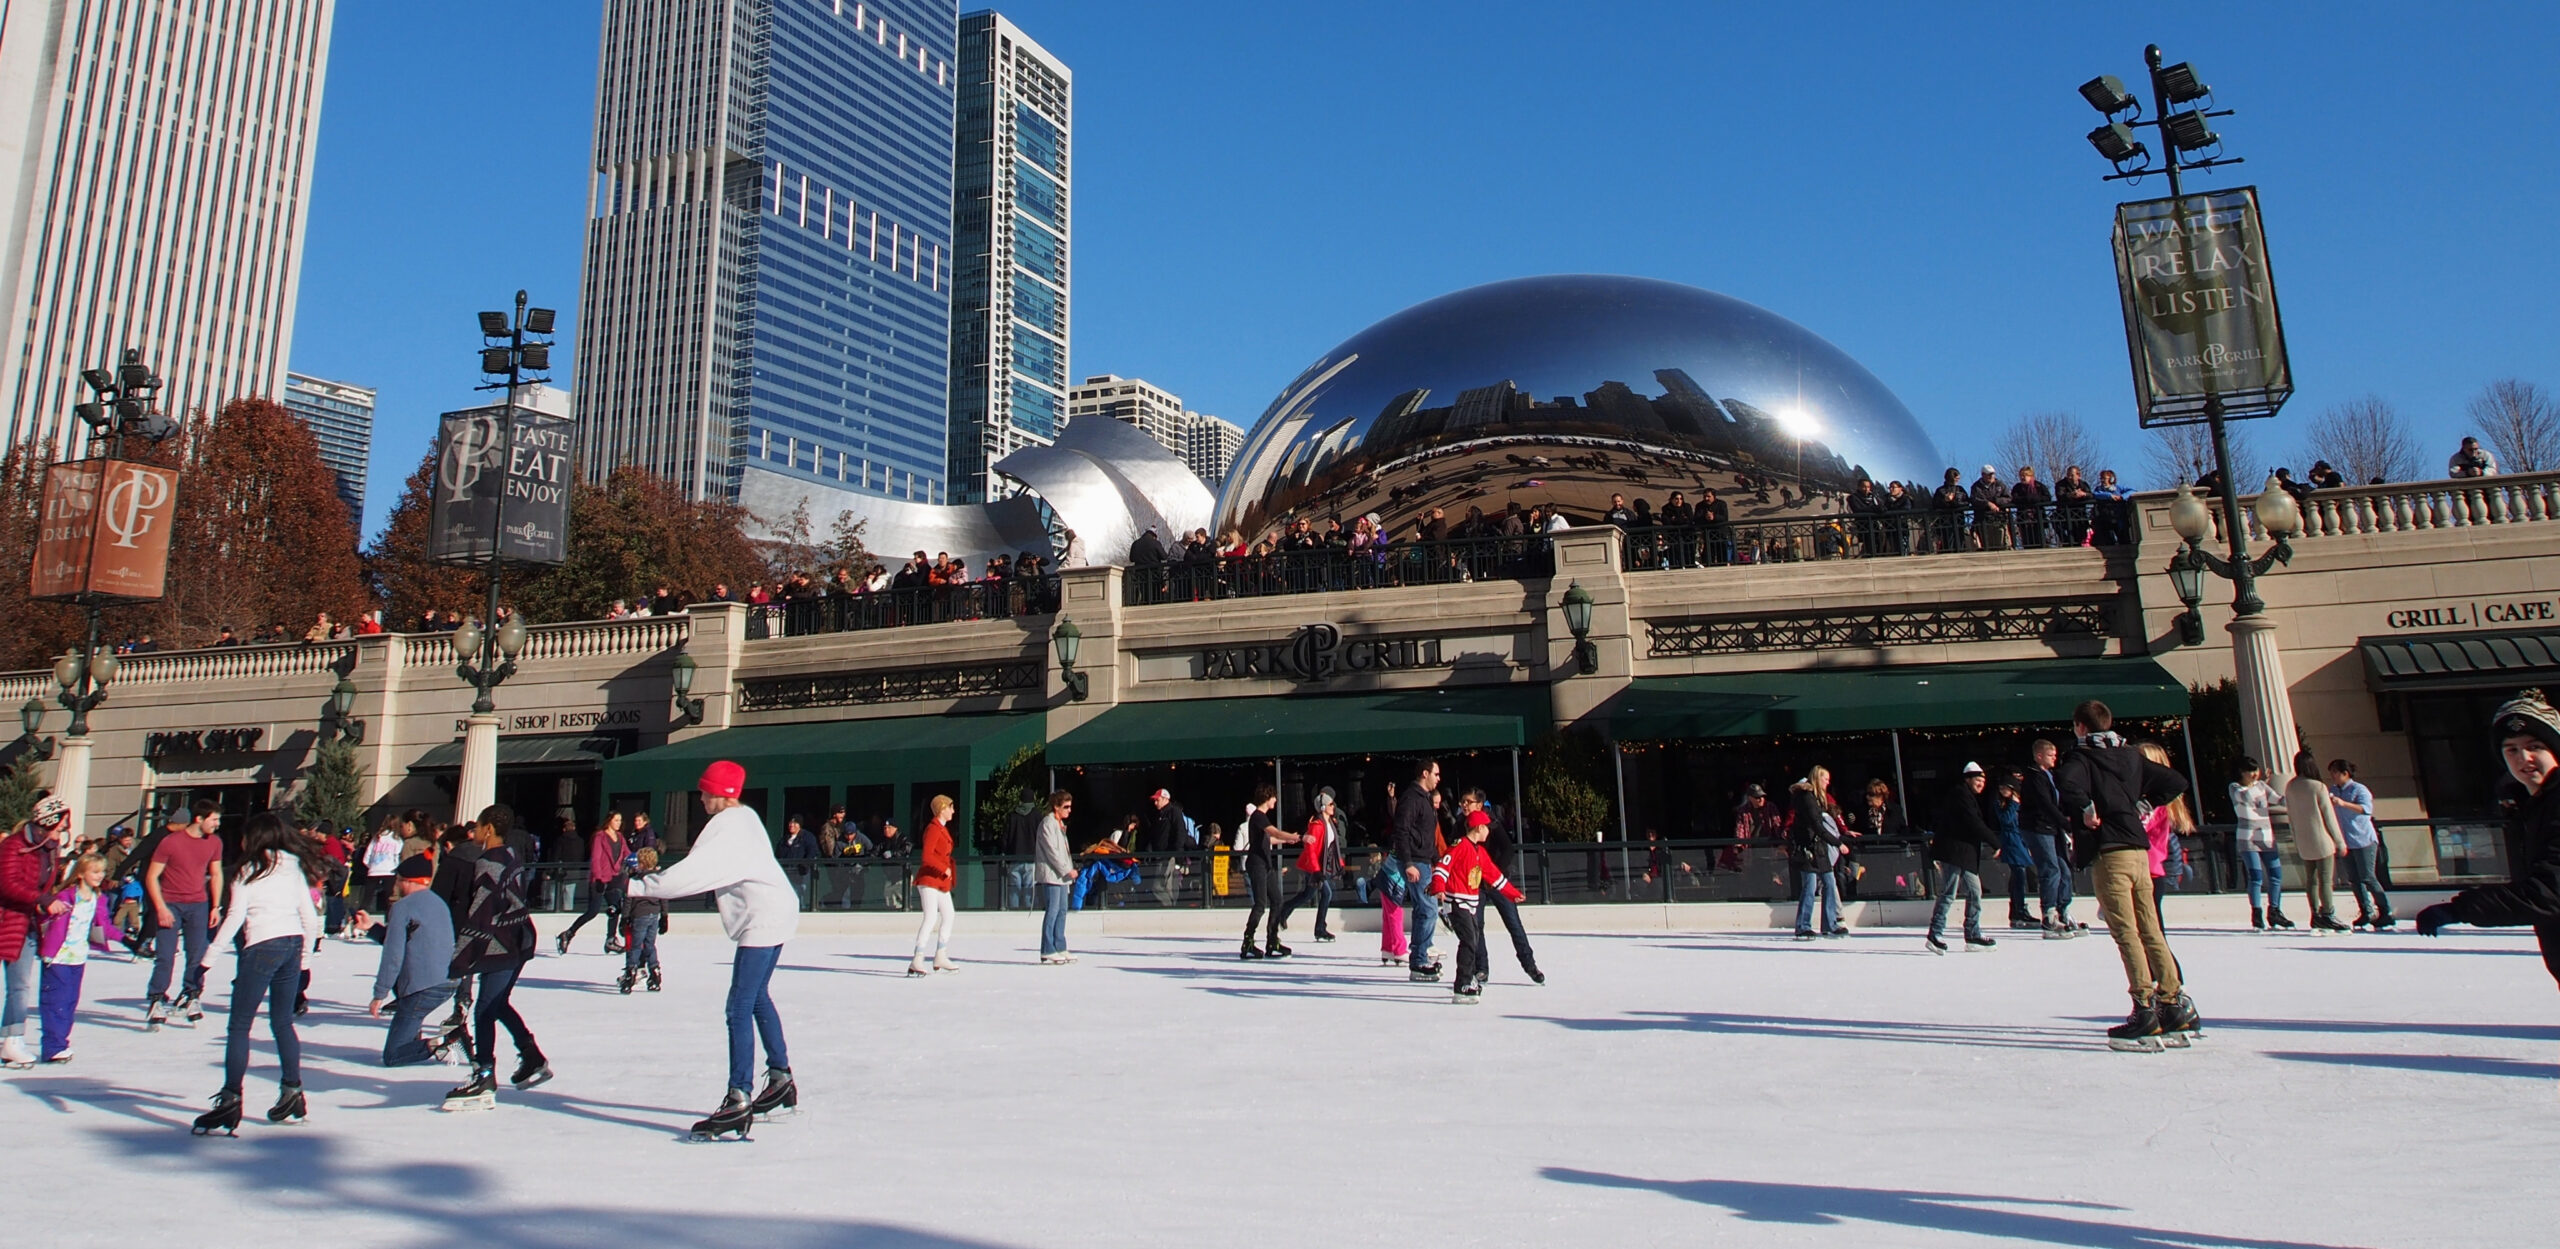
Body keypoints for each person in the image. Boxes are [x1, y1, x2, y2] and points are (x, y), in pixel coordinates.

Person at [2053, 700, 2196, 1051]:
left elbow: (2066, 785)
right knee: (2150, 927)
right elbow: (2175, 781)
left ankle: (2144, 1008)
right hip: (2138, 850)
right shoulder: (2129, 755)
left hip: (2111, 852)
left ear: (2081, 727)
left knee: (2126, 932)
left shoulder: (2082, 756)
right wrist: (2143, 805)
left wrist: (2088, 809)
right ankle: (2173, 1003)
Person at [2417, 691, 2560, 1011]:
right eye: (2512, 750)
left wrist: (2461, 909)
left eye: (2535, 746)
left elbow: (2550, 890)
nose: (2524, 759)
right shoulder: (2533, 807)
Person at [190, 812, 329, 1135]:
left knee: (239, 1025)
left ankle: (230, 1098)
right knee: (282, 1022)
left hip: (262, 946)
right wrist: (305, 962)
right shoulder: (293, 865)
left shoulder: (247, 870)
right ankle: (292, 1091)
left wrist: (205, 962)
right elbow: (309, 916)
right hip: (292, 944)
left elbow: (234, 918)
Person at [441, 805, 551, 1112]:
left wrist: (461, 953)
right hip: (518, 938)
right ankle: (531, 1057)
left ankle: (484, 1076)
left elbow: (482, 911)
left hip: (499, 944)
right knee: (497, 1003)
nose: (473, 831)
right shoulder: (513, 854)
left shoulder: (488, 861)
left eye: (477, 826)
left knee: (486, 1011)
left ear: (489, 829)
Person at [349, 854, 459, 1067]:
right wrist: (371, 928)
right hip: (448, 981)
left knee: (394, 1055)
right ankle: (428, 1042)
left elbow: (393, 955)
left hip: (423, 987)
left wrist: (379, 994)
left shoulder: (403, 907)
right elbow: (415, 942)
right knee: (407, 1034)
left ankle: (446, 1041)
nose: (396, 885)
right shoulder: (438, 904)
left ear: (410, 881)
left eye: (399, 880)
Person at [1, 796, 72, 1069]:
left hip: (25, 924)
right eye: (60, 824)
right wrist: (42, 901)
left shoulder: (48, 850)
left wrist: (49, 904)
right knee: (17, 986)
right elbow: (6, 883)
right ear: (47, 822)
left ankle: (12, 1040)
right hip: (7, 919)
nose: (63, 830)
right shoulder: (14, 845)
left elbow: (41, 888)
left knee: (19, 986)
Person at [144, 798, 226, 1029]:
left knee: (197, 954)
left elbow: (217, 874)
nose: (217, 824)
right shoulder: (170, 842)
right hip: (171, 903)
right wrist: (160, 908)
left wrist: (215, 906)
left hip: (199, 904)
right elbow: (151, 877)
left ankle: (192, 995)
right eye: (214, 819)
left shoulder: (214, 843)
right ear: (199, 819)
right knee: (166, 955)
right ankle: (157, 998)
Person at [1428, 808, 1525, 1004]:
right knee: (1469, 941)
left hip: (1470, 904)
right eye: (1487, 828)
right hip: (1456, 902)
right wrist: (1438, 887)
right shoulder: (1460, 846)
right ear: (1479, 828)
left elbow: (1495, 876)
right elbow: (1442, 868)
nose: (1489, 832)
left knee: (1473, 939)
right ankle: (1462, 984)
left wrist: (1513, 894)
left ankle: (1467, 979)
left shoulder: (1480, 852)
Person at [36, 852, 121, 1063]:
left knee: (70, 1002)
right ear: (81, 874)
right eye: (95, 871)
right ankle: (53, 1047)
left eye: (102, 871)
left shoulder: (98, 898)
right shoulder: (66, 896)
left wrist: (129, 941)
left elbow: (106, 926)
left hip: (78, 957)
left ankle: (60, 1043)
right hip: (58, 957)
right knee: (56, 1002)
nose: (100, 875)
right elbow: (45, 916)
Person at [1462, 788, 1542, 983]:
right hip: (1476, 885)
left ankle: (1529, 964)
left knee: (1513, 923)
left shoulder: (1493, 826)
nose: (1464, 805)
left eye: (1468, 802)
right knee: (1476, 926)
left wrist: (1494, 872)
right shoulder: (1460, 826)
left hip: (1497, 881)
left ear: (1479, 805)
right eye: (1462, 802)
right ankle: (1481, 967)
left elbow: (1508, 849)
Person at [1925, 765, 1998, 954]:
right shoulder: (1959, 795)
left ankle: (1973, 934)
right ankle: (1935, 933)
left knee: (1975, 891)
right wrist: (1995, 842)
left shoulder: (1968, 797)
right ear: (1968, 779)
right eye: (1978, 780)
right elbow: (1973, 822)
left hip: (1965, 854)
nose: (1981, 784)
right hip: (1953, 852)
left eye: (1983, 782)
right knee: (1949, 892)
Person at [1390, 760, 1445, 981]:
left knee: (1424, 909)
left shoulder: (1424, 800)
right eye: (1436, 774)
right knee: (1429, 908)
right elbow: (1401, 831)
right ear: (1425, 774)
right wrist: (1409, 862)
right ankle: (1419, 958)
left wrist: (1436, 859)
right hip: (1415, 863)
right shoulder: (1412, 798)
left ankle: (1419, 955)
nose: (1438, 778)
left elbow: (1427, 835)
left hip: (1424, 860)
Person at [2282, 750, 2349, 933]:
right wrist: (2340, 841)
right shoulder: (2318, 787)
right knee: (2326, 879)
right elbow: (2329, 817)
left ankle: (2315, 914)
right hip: (2322, 839)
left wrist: (2295, 839)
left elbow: (2291, 816)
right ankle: (2328, 913)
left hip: (2304, 840)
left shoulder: (2290, 787)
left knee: (2310, 880)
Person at [2020, 739, 2080, 938]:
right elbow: (2045, 803)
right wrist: (2066, 824)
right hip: (2038, 827)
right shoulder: (2034, 777)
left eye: (2055, 755)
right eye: (2050, 755)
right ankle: (2049, 914)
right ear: (2039, 756)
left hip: (2052, 827)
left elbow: (2058, 801)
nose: (2055, 758)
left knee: (2064, 868)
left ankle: (2063, 911)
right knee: (2051, 868)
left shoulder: (2051, 776)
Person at [1274, 786, 1345, 944]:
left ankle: (1284, 910)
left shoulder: (1331, 823)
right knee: (1326, 893)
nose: (1334, 806)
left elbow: (1332, 847)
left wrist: (1339, 863)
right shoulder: (1316, 825)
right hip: (1314, 867)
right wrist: (1316, 870)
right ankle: (1319, 929)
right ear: (1323, 807)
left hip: (1320, 866)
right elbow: (1311, 850)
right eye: (1331, 804)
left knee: (1308, 894)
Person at [2328, 759, 2392, 930]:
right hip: (2346, 841)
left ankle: (2385, 911)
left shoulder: (2359, 789)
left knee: (2368, 876)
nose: (2333, 776)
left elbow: (2366, 809)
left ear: (2345, 773)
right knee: (2354, 879)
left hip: (2363, 839)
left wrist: (2343, 804)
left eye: (2335, 772)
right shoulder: (2333, 791)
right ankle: (2365, 910)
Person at [1239, 783, 1300, 960]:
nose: (1276, 801)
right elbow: (1274, 832)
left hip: (1266, 865)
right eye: (1274, 797)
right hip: (1257, 864)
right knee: (1260, 904)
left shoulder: (1261, 818)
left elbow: (1268, 839)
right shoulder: (1258, 816)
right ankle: (1248, 942)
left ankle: (1272, 940)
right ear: (1267, 797)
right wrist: (1296, 837)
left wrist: (1285, 841)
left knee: (1277, 900)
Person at [2229, 758, 2288, 930]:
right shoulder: (2235, 788)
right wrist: (2260, 783)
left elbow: (2278, 799)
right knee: (2256, 876)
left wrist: (2295, 796)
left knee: (2276, 874)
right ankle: (2256, 911)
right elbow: (2246, 797)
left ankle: (2275, 910)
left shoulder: (2261, 786)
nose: (2255, 774)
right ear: (2242, 772)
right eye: (2250, 771)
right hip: (2248, 837)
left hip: (2266, 836)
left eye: (2256, 770)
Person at [1788, 767, 1847, 940]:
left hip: (1819, 848)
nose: (1828, 782)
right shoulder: (1807, 798)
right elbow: (1817, 825)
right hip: (1809, 849)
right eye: (1825, 779)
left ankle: (1830, 924)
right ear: (1816, 778)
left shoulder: (1819, 799)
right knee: (1810, 885)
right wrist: (1838, 842)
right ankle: (1803, 925)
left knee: (1829, 882)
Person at [557, 811, 628, 953]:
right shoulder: (599, 837)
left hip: (614, 878)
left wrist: (640, 859)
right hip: (600, 879)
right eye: (616, 820)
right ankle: (568, 933)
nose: (619, 823)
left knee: (615, 909)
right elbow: (595, 858)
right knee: (592, 912)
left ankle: (610, 940)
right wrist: (598, 878)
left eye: (620, 820)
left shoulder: (620, 837)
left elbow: (627, 853)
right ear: (609, 821)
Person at [906, 795, 958, 977]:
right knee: (930, 917)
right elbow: (927, 856)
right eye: (950, 807)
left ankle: (941, 954)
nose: (953, 811)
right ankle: (918, 958)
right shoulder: (934, 829)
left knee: (949, 915)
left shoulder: (941, 829)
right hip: (929, 880)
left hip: (940, 881)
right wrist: (944, 868)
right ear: (942, 808)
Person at [1032, 791, 1076, 964]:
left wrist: (1068, 871)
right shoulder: (1048, 824)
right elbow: (1052, 852)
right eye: (1065, 807)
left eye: (1070, 807)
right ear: (1056, 807)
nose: (1069, 810)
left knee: (1062, 910)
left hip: (1062, 876)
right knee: (1053, 910)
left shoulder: (1059, 825)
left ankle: (1060, 946)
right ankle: (1047, 949)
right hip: (1052, 874)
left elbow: (1064, 852)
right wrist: (1067, 870)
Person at [621, 848, 665, 993]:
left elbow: (629, 899)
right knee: (650, 945)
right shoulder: (658, 878)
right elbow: (664, 896)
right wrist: (664, 915)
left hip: (639, 915)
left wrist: (625, 918)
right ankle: (654, 972)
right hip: (654, 914)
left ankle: (631, 974)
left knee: (635, 946)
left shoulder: (635, 880)